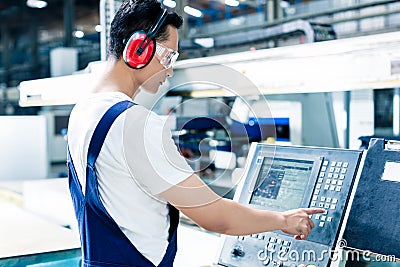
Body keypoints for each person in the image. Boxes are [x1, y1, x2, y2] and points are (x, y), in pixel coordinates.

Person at [67, 1, 325, 266]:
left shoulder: (82, 112)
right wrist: (283, 220)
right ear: (139, 49)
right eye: (169, 57)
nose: (169, 71)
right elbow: (215, 216)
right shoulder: (134, 123)